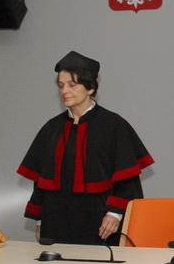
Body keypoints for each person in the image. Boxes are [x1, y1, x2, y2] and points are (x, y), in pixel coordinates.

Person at [17, 51, 154, 245]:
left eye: (72, 85)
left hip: (99, 224)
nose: (65, 91)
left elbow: (128, 180)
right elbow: (41, 181)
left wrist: (114, 214)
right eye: (61, 85)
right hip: (55, 223)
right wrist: (40, 220)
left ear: (90, 88)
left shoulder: (114, 126)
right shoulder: (51, 128)